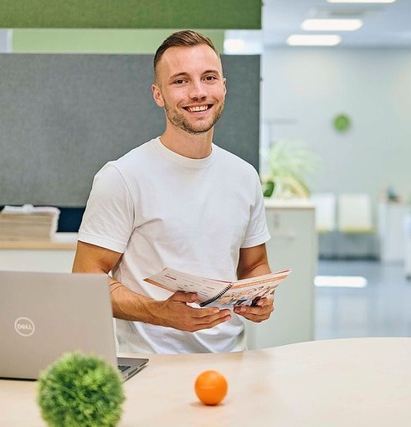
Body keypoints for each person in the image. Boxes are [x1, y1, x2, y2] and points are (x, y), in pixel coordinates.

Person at [72, 30, 273, 354]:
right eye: (180, 81)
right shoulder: (123, 176)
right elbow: (85, 278)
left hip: (232, 362)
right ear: (158, 94)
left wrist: (261, 296)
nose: (198, 92)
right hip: (151, 367)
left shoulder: (244, 176)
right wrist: (158, 313)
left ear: (223, 86)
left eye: (208, 78)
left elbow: (254, 266)